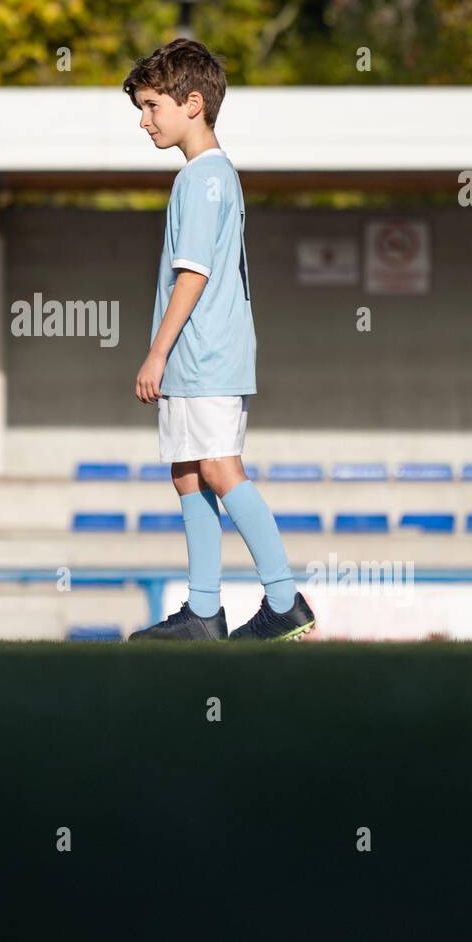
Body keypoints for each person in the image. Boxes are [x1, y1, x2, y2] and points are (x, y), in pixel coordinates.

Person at [122, 37, 315, 641]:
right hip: (190, 360)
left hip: (204, 356)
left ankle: (284, 601)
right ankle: (204, 612)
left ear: (193, 103)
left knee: (218, 466)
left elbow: (195, 272)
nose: (145, 121)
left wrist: (156, 350)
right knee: (187, 472)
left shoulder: (205, 178)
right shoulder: (198, 177)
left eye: (153, 106)